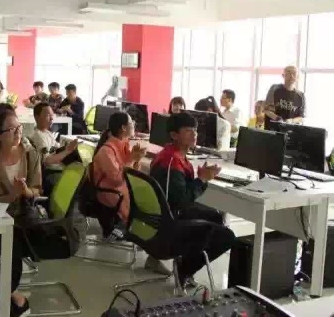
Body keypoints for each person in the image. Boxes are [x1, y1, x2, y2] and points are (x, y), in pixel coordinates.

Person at [149, 112, 235, 286]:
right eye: (188, 130)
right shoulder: (172, 162)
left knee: (215, 217)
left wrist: (201, 178)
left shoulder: (173, 155)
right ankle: (184, 269)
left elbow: (178, 195)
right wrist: (201, 180)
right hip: (168, 223)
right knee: (227, 237)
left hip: (162, 215)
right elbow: (180, 201)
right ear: (174, 135)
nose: (194, 134)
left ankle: (187, 261)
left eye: (195, 130)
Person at [0, 108, 41, 316]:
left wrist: (25, 192)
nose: (18, 133)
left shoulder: (30, 153)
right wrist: (13, 194)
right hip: (2, 214)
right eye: (11, 129)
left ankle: (9, 295)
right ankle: (10, 294)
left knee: (11, 244)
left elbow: (38, 189)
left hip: (24, 216)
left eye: (19, 127)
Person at [91, 112, 168, 273]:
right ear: (123, 128)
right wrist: (132, 158)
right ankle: (144, 239)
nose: (134, 125)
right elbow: (116, 179)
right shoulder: (107, 150)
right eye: (132, 123)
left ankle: (146, 238)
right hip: (112, 193)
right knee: (150, 204)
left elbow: (132, 172)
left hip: (122, 189)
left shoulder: (123, 145)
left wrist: (136, 159)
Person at [31, 102, 79, 194]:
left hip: (57, 169)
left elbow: (57, 148)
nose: (52, 118)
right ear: (37, 117)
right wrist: (67, 150)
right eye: (48, 115)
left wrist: (67, 147)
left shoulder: (46, 133)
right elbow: (47, 161)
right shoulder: (38, 136)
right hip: (50, 173)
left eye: (52, 115)